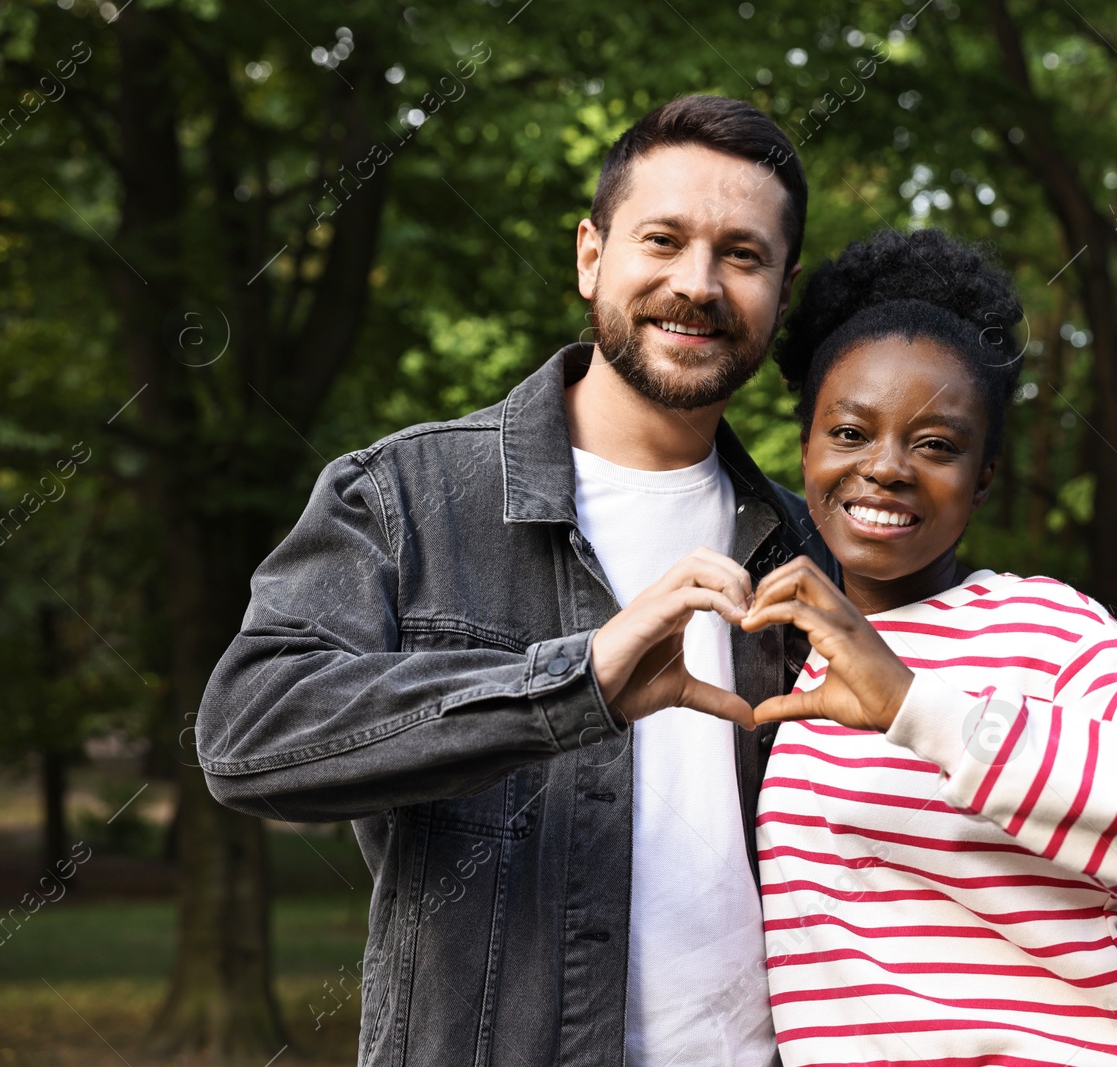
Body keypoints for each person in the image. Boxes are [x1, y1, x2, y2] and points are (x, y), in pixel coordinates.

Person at [196, 95, 832, 1067]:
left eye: (743, 255)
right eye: (662, 239)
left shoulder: (804, 545)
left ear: (780, 294)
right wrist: (573, 683)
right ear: (591, 255)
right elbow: (248, 735)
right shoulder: (403, 494)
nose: (697, 284)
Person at [737, 229, 1117, 1067]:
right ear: (806, 446)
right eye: (849, 432)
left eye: (936, 444)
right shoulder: (784, 652)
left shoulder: (1050, 628)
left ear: (984, 474)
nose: (884, 467)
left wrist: (915, 708)